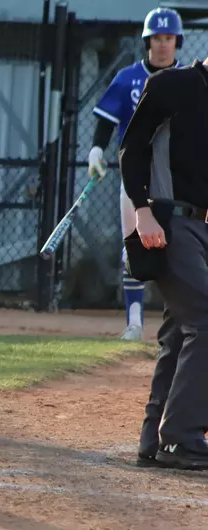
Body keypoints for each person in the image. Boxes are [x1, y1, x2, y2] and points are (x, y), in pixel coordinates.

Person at [119, 53, 208, 471]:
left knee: (180, 331)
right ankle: (181, 438)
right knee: (205, 320)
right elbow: (132, 145)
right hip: (166, 219)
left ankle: (154, 440)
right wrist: (141, 210)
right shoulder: (176, 84)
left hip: (199, 226)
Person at [89, 7, 184, 341]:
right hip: (137, 179)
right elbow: (105, 120)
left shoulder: (187, 80)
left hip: (178, 180)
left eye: (168, 38)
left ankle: (182, 322)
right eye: (156, 38)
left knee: (180, 249)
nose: (162, 45)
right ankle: (134, 322)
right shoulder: (128, 77)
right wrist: (96, 150)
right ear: (147, 41)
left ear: (177, 42)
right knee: (134, 248)